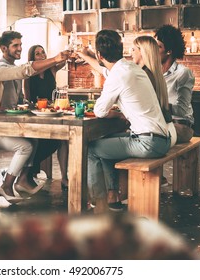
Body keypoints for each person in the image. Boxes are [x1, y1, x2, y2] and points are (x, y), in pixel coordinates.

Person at [77, 30, 171, 213]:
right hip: (162, 138)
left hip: (148, 143)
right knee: (105, 141)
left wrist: (118, 115)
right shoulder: (131, 68)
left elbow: (99, 111)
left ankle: (99, 201)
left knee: (90, 149)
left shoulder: (118, 75)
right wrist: (87, 56)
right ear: (121, 49)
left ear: (99, 54)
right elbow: (106, 70)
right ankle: (113, 196)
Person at [0, 37, 68, 204]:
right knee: (25, 146)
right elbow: (24, 71)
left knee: (33, 140)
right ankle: (6, 186)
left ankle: (22, 180)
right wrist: (56, 59)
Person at [24, 45, 69, 191]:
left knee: (63, 140)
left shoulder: (52, 69)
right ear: (32, 58)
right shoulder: (29, 74)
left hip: (53, 112)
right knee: (40, 142)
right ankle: (27, 170)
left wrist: (67, 54)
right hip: (36, 115)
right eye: (37, 54)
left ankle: (64, 177)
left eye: (43, 52)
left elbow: (63, 61)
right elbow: (27, 98)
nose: (41, 55)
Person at [131, 35, 177, 148]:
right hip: (168, 131)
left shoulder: (143, 75)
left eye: (133, 49)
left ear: (142, 52)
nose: (130, 53)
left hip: (159, 135)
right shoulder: (153, 73)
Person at [154, 24, 195, 143]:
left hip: (182, 127)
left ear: (169, 51)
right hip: (164, 124)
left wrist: (158, 106)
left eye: (159, 47)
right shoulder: (155, 73)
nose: (154, 51)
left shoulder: (183, 73)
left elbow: (182, 110)